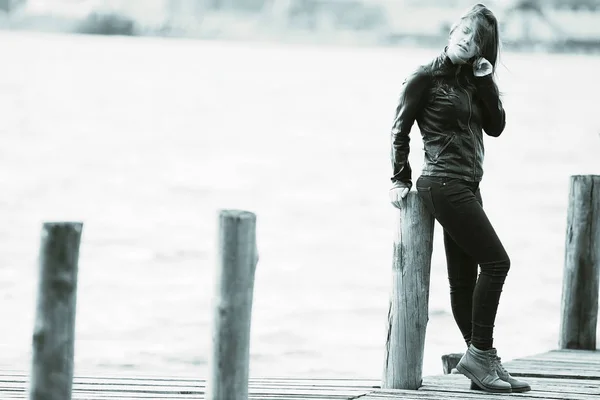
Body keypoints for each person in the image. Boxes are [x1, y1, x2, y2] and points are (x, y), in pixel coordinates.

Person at [388, 3, 530, 394]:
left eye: (477, 40)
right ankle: (481, 354)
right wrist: (399, 178)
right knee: (498, 263)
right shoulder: (425, 76)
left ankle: (480, 361)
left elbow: (497, 126)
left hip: (467, 186)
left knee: (463, 281)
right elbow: (399, 129)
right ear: (453, 31)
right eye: (464, 33)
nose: (467, 42)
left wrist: (484, 81)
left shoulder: (473, 80)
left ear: (483, 50)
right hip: (441, 183)